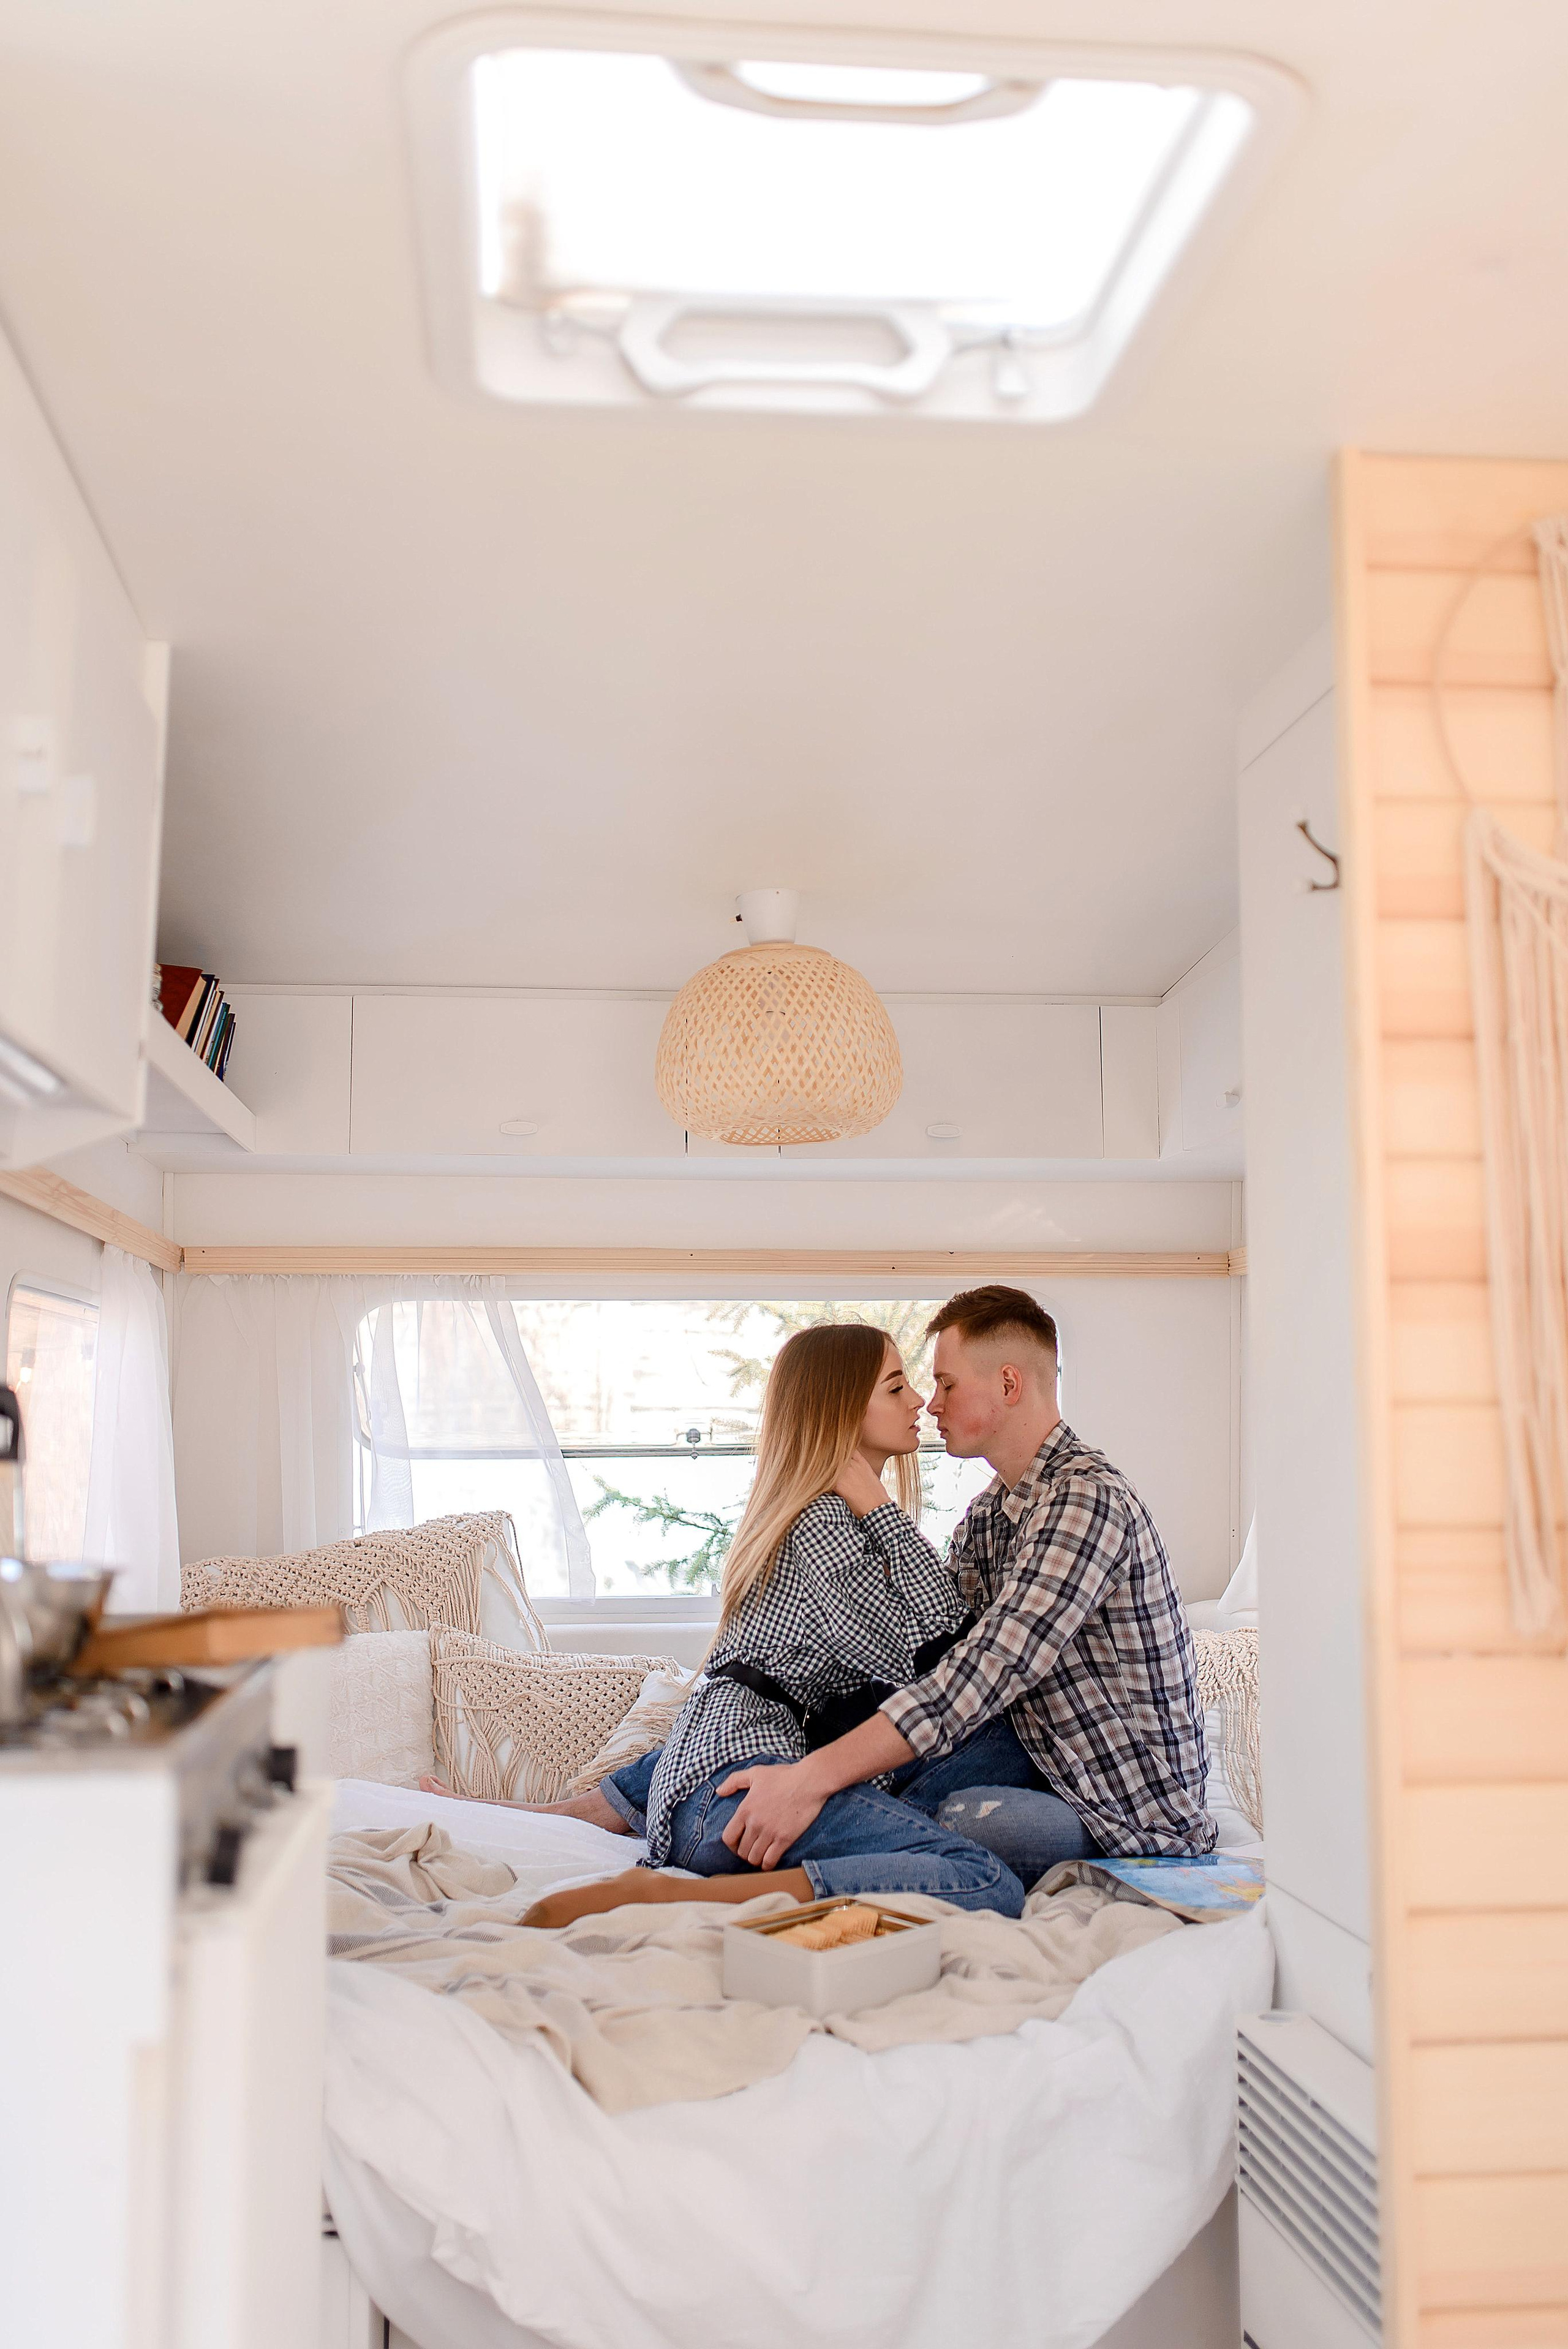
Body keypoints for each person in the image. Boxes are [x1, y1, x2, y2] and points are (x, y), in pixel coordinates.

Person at [519, 1321, 1042, 1928]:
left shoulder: (816, 1516)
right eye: (896, 1388)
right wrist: (876, 1503)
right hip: (738, 1806)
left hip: (714, 1794)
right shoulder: (825, 1520)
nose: (920, 1401)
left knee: (989, 1743)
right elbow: (941, 1651)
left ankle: (571, 1817)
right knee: (983, 1882)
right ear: (843, 1408)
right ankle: (678, 1897)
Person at [706, 1285, 1215, 1891]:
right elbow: (931, 1657)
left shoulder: (1086, 1501)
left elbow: (982, 1672)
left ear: (1008, 1385)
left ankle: (721, 1884)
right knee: (847, 1767)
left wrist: (813, 1778)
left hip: (1115, 1809)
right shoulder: (984, 1520)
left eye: (945, 1385)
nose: (930, 1403)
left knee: (931, 1824)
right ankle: (658, 1799)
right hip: (1026, 1760)